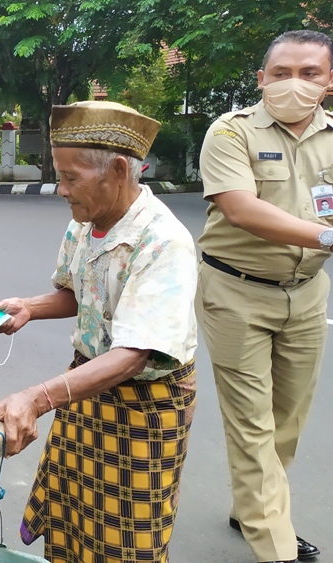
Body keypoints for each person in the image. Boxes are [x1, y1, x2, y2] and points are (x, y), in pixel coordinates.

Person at [0, 101, 198, 562]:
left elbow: (135, 354)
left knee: (127, 538)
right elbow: (80, 294)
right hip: (85, 389)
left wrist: (37, 399)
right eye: (59, 176)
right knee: (73, 516)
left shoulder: (162, 241)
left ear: (119, 170)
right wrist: (30, 308)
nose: (61, 190)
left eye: (71, 178)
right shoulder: (85, 223)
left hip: (144, 407)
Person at [197, 30, 333, 563]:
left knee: (288, 419)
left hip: (307, 293)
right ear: (261, 79)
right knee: (252, 423)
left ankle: (253, 506)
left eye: (309, 74)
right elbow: (240, 209)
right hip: (236, 291)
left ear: (329, 82)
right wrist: (327, 236)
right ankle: (275, 546)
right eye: (281, 74)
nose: (293, 84)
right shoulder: (230, 132)